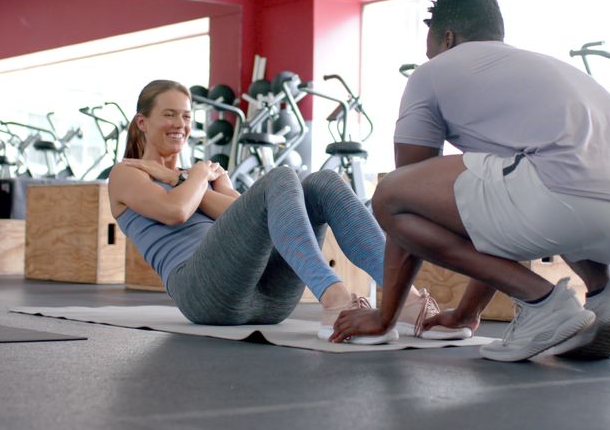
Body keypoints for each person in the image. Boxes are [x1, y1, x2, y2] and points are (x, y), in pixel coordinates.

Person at [331, 0, 610, 361]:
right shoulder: (544, 68)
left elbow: (404, 198)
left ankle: (543, 303)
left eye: (429, 47)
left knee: (391, 195)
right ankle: (607, 295)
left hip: (567, 199)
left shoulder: (432, 73)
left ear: (447, 38)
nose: (428, 56)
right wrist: (465, 315)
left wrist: (386, 318)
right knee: (530, 184)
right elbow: (485, 211)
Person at [107, 80, 472, 344]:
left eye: (186, 116)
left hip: (270, 300)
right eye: (168, 115)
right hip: (204, 295)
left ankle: (404, 300)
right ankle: (335, 301)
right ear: (142, 122)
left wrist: (183, 178)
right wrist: (200, 174)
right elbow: (174, 211)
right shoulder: (127, 173)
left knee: (322, 182)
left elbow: (247, 214)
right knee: (281, 176)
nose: (180, 125)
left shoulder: (191, 177)